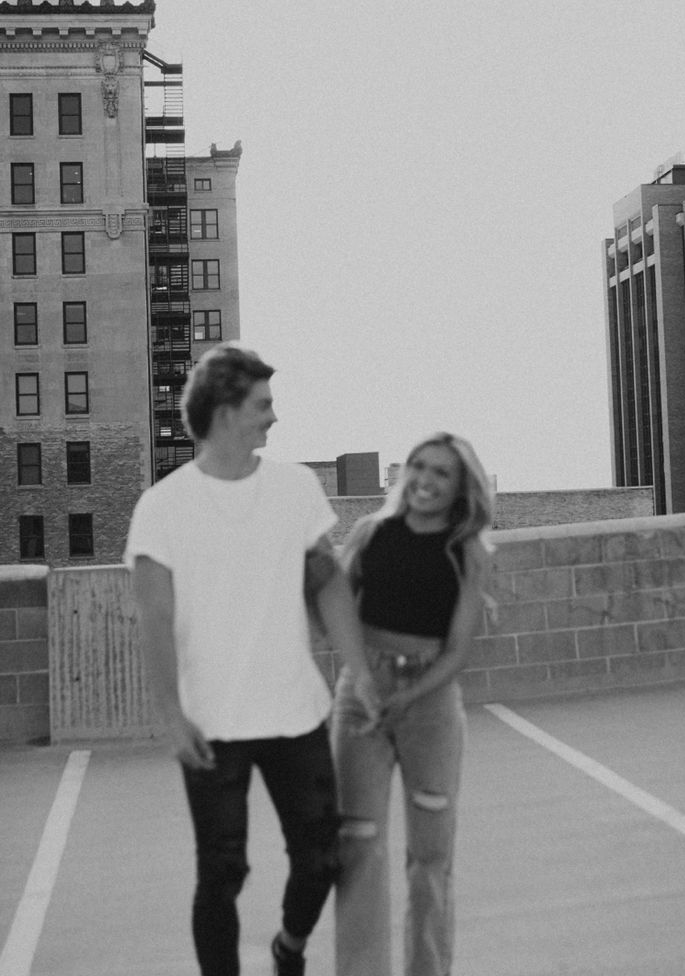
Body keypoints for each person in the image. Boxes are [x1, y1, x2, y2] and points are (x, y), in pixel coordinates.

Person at [124, 343, 379, 976]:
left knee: (322, 855)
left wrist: (360, 673)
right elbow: (153, 617)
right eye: (263, 404)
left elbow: (326, 581)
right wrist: (171, 714)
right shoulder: (163, 507)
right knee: (222, 869)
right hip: (215, 724)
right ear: (226, 410)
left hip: (296, 713)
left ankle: (288, 948)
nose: (273, 417)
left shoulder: (294, 487)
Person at [331, 431, 497, 976]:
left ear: (460, 488)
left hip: (430, 704)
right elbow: (336, 613)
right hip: (362, 700)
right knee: (358, 848)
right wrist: (363, 680)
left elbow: (457, 651)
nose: (426, 479)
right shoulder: (370, 533)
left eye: (442, 473)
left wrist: (409, 696)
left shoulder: (468, 551)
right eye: (420, 467)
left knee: (430, 860)